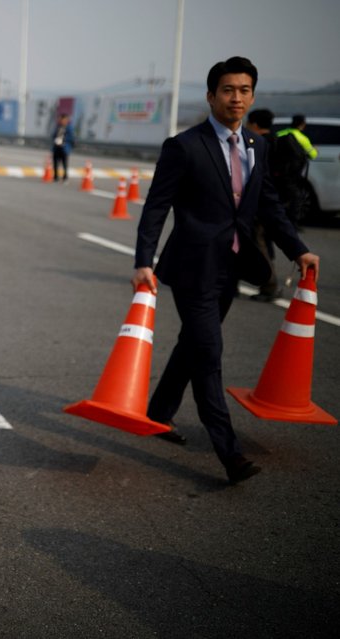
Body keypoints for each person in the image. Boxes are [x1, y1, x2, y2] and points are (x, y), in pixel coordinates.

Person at [132, 56, 319, 484]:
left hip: (230, 267)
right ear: (212, 95)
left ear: (253, 96)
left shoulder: (257, 146)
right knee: (209, 354)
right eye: (229, 90)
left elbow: (268, 205)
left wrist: (298, 249)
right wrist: (144, 260)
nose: (237, 98)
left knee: (193, 346)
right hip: (192, 268)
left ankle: (158, 412)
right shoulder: (184, 146)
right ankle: (229, 454)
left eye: (245, 90)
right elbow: (157, 207)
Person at [245, 108, 281, 302]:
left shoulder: (260, 144)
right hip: (276, 201)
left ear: (255, 125)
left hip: (260, 203)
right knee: (264, 242)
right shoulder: (279, 140)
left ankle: (269, 285)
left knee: (258, 242)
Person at [273, 114, 318, 226]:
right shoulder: (302, 138)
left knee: (279, 196)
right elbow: (313, 155)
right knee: (296, 198)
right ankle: (292, 223)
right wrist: (314, 149)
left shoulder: (280, 133)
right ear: (302, 124)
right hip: (293, 174)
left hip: (277, 172)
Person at [51, 113, 74, 183]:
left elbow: (71, 138)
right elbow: (53, 135)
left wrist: (63, 141)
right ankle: (55, 177)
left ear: (66, 120)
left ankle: (65, 177)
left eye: (63, 119)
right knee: (55, 163)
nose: (61, 121)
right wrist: (56, 140)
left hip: (64, 148)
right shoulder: (58, 127)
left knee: (64, 164)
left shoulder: (69, 128)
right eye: (60, 119)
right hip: (56, 147)